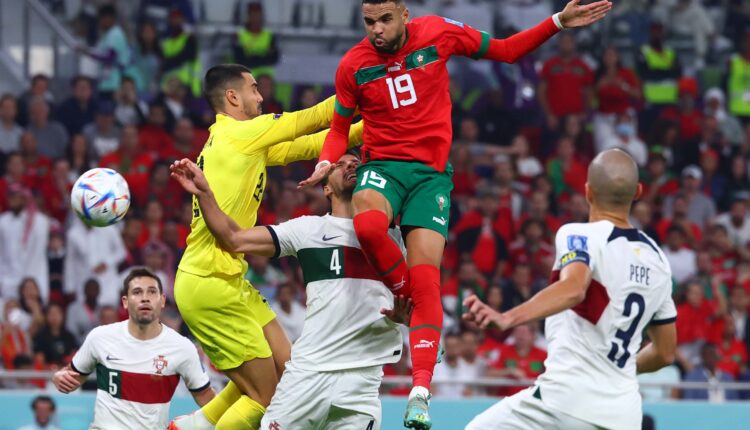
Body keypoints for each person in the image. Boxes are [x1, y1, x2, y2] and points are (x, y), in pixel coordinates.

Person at [299, 2, 613, 427]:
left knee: (427, 278)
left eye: (385, 20)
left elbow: (506, 51)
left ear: (404, 14)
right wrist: (325, 161)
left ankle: (420, 392)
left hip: (430, 178)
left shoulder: (438, 33)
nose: (377, 30)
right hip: (383, 167)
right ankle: (416, 309)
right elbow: (339, 129)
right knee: (369, 226)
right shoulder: (354, 64)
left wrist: (557, 22)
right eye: (369, 22)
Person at [171, 63, 364, 430]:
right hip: (208, 282)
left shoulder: (243, 141)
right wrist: (366, 94)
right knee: (265, 397)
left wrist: (377, 129)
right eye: (254, 89)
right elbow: (311, 118)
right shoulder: (239, 134)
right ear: (233, 97)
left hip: (229, 279)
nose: (261, 97)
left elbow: (309, 145)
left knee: (286, 368)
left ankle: (190, 426)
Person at [170, 152, 409, 430]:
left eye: (356, 163)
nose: (351, 165)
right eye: (340, 164)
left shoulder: (395, 239)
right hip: (308, 375)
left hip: (363, 381)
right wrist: (205, 194)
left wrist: (405, 317)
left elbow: (420, 300)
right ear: (326, 188)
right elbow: (234, 239)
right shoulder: (308, 230)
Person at [462, 149, 677, 430]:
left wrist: (507, 318)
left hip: (565, 403)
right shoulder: (658, 259)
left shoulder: (580, 234)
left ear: (588, 191)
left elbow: (574, 288)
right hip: (624, 415)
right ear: (638, 192)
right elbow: (665, 353)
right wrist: (616, 370)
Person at [51, 268, 215, 429]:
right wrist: (60, 377)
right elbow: (72, 377)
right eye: (137, 292)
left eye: (152, 292)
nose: (145, 298)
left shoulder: (182, 347)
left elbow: (205, 396)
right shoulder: (99, 337)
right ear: (125, 302)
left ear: (162, 300)